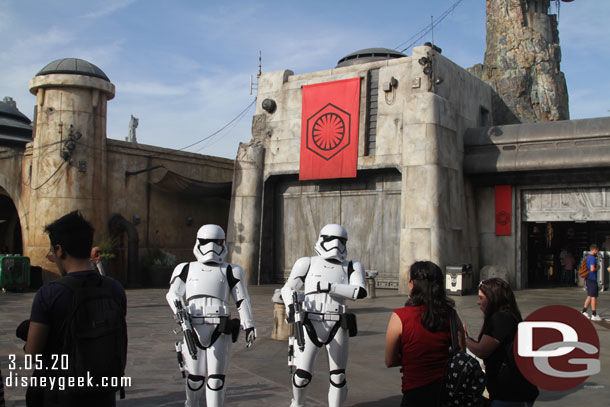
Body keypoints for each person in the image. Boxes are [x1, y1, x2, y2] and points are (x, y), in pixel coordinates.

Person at [25, 210, 127, 407]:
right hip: (103, 395)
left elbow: (32, 356)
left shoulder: (49, 294)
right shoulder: (115, 289)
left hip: (61, 395)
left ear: (60, 250)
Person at [166, 224, 256, 407]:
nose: (211, 247)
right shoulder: (185, 268)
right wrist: (180, 312)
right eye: (207, 242)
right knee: (195, 379)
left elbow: (242, 300)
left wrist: (249, 325)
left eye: (216, 242)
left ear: (223, 243)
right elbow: (172, 294)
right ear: (198, 242)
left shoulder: (232, 270)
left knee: (216, 380)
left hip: (220, 328)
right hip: (192, 327)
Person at [280, 224, 366, 407]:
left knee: (338, 376)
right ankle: (298, 403)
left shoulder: (352, 265)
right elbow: (288, 288)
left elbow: (359, 291)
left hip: (338, 323)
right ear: (321, 239)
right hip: (309, 321)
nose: (335, 244)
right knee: (302, 376)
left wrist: (331, 287)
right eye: (330, 239)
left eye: (341, 240)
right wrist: (290, 307)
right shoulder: (307, 262)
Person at [385, 261, 464, 407]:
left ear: (411, 284)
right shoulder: (451, 315)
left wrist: (412, 357)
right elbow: (461, 353)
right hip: (446, 392)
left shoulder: (400, 317)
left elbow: (390, 361)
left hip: (414, 393)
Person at [465, 278, 538, 407]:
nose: (478, 302)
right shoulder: (507, 316)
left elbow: (482, 350)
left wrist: (465, 339)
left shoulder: (501, 318)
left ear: (492, 299)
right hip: (510, 393)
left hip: (511, 395)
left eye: (481, 298)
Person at [582, 244, 601, 321]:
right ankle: (594, 314)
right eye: (597, 250)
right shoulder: (592, 258)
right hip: (592, 278)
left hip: (587, 278)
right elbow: (592, 269)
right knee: (594, 296)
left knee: (590, 295)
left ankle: (584, 311)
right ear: (595, 249)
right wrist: (598, 268)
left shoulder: (587, 257)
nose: (597, 252)